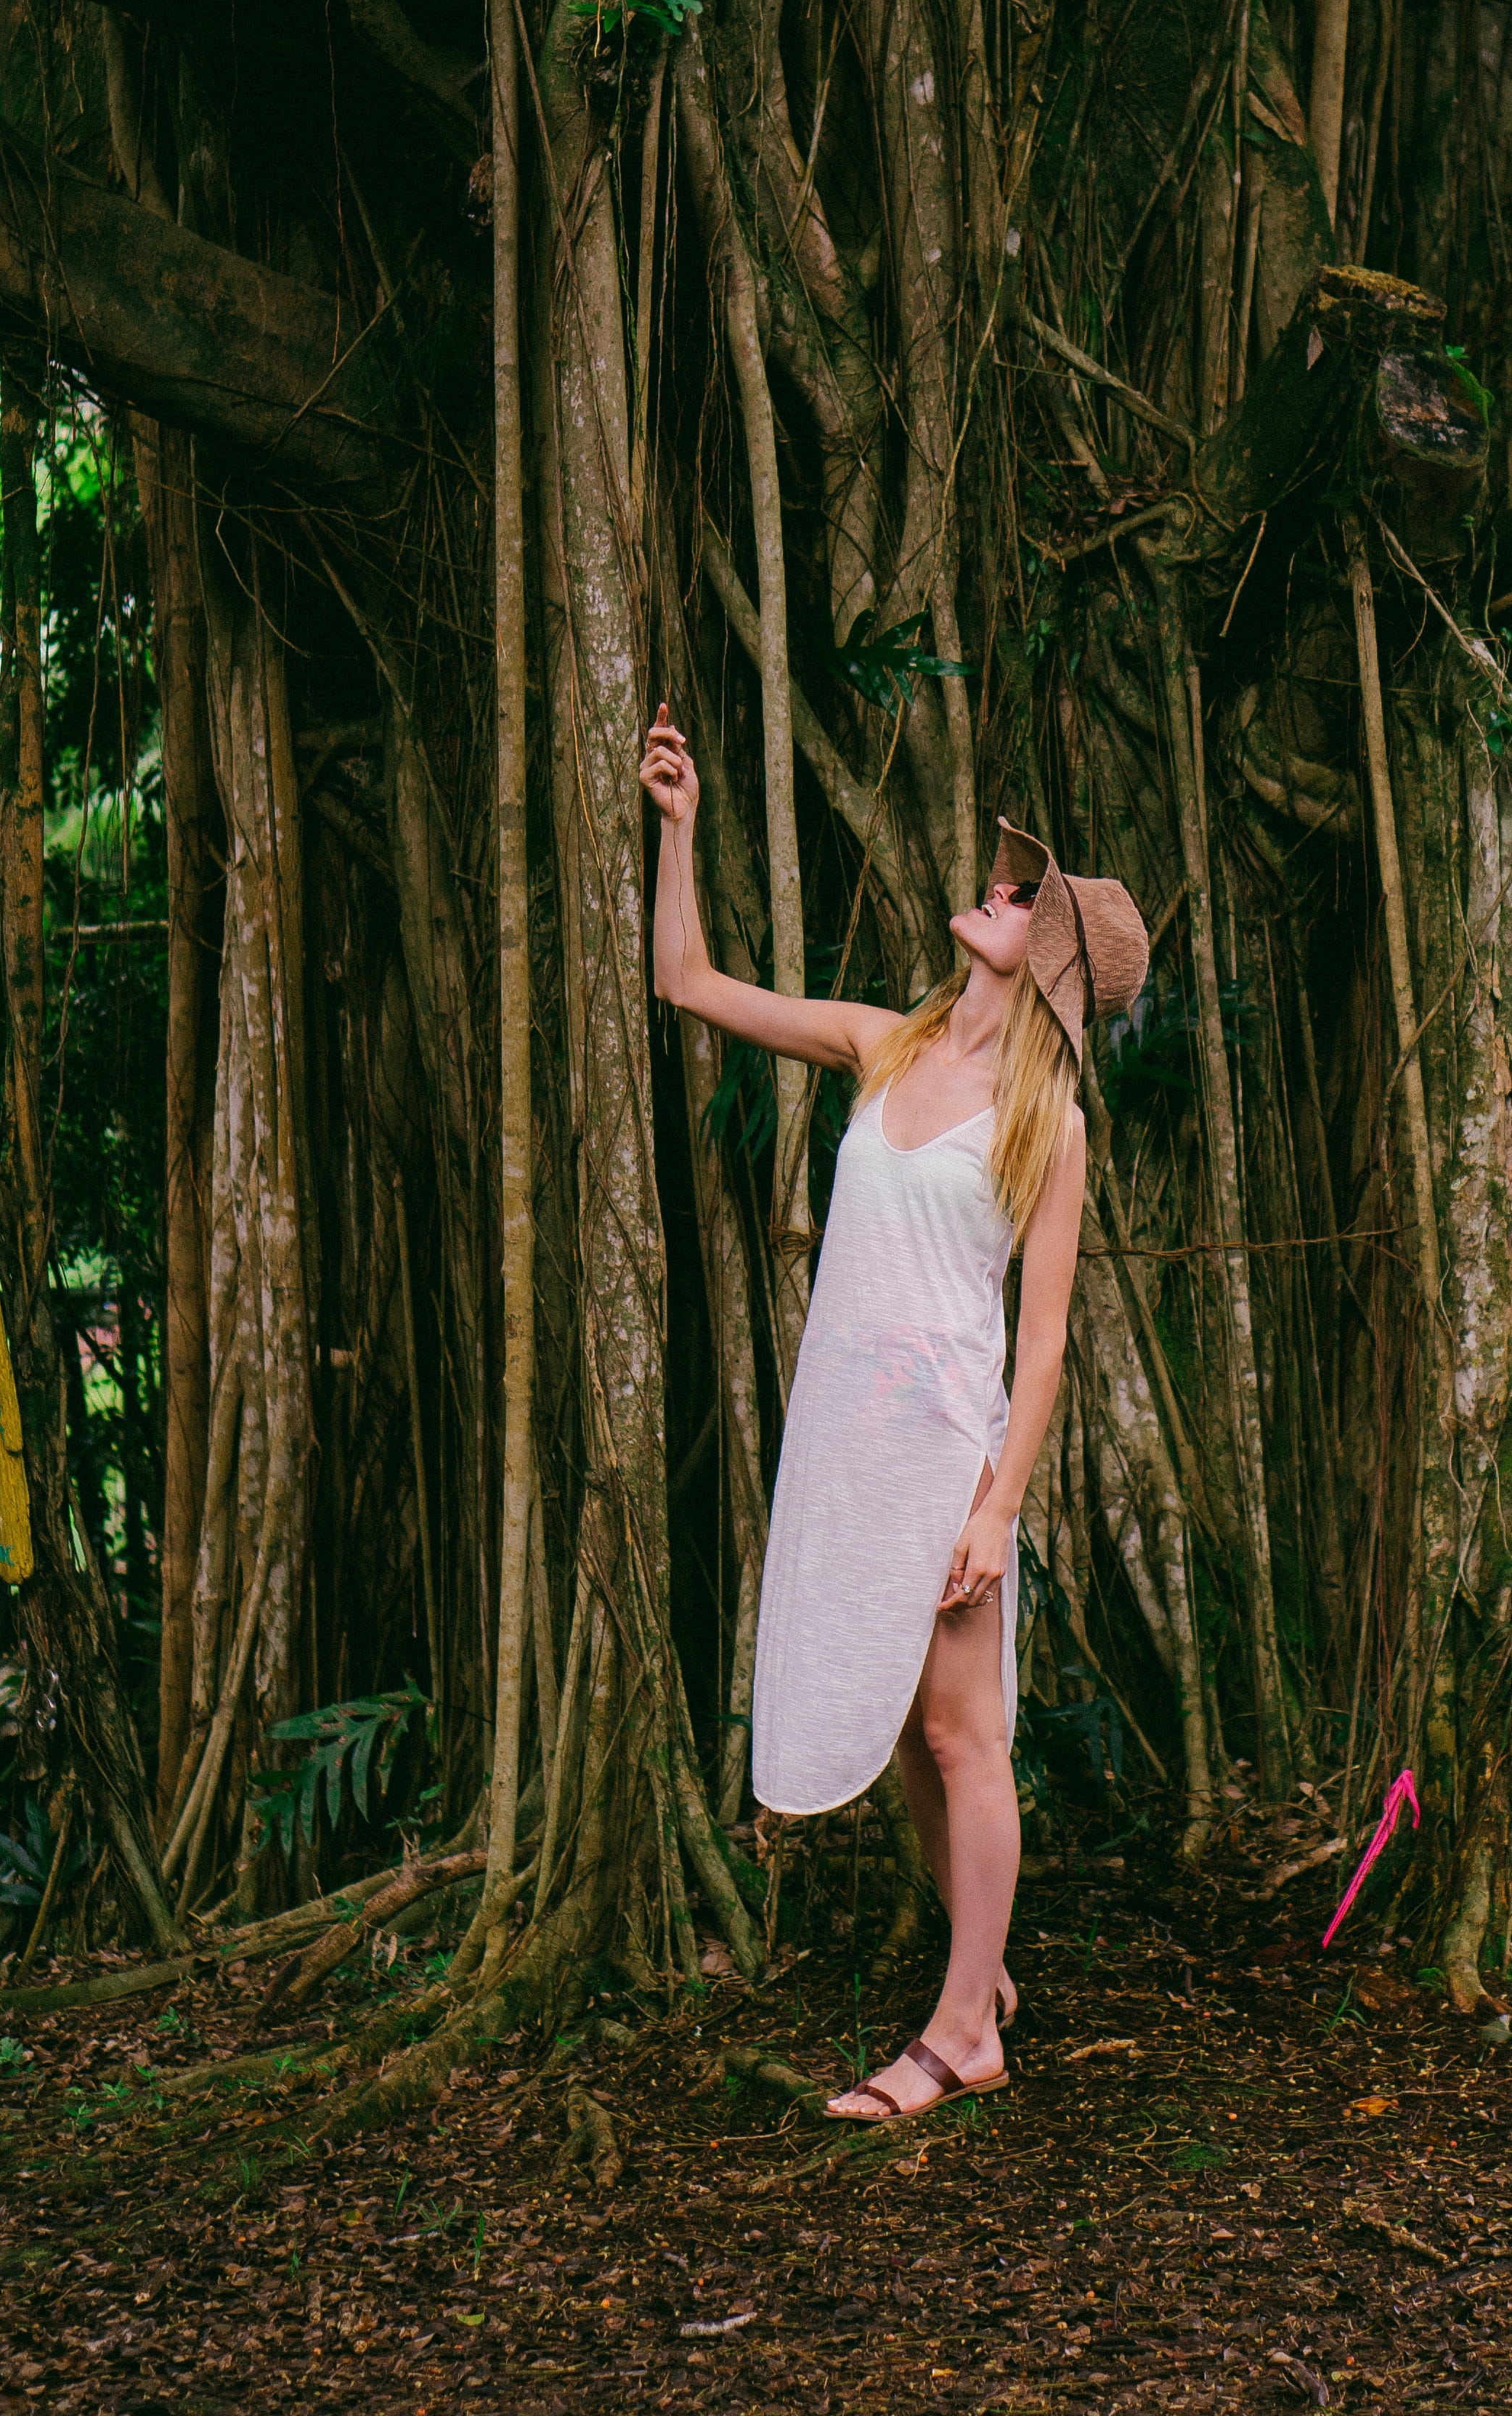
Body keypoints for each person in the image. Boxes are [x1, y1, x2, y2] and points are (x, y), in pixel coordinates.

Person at [641, 704, 1148, 2122]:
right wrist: (678, 828)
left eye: (1014, 897)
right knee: (918, 1742)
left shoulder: (1049, 1124)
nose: (989, 890)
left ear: (1042, 959)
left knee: (960, 1735)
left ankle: (963, 2031)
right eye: (1001, 883)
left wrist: (1000, 1506)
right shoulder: (885, 1042)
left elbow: (1040, 1342)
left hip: (945, 1445)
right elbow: (686, 982)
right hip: (849, 1443)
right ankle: (974, 1982)